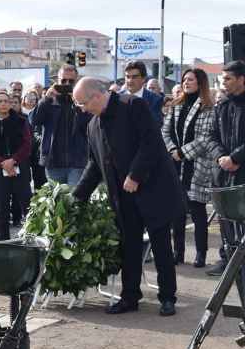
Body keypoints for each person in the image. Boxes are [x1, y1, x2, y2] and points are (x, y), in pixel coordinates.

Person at [73, 76, 183, 317]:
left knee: (160, 244)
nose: (80, 108)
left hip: (152, 189)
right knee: (129, 247)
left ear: (96, 96)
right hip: (122, 196)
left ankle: (167, 297)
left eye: (82, 103)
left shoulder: (132, 105)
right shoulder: (93, 125)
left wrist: (135, 175)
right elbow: (94, 165)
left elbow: (151, 142)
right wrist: (76, 197)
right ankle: (130, 297)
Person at [205, 62, 245, 274]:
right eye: (222, 79)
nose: (224, 83)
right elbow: (211, 136)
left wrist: (235, 158)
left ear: (241, 79)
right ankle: (227, 258)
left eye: (228, 79)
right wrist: (222, 157)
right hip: (222, 170)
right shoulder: (221, 104)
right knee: (225, 216)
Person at [162, 68, 215, 267]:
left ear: (200, 83)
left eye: (190, 79)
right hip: (174, 165)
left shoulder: (208, 107)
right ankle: (178, 252)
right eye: (184, 79)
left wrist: (183, 152)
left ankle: (201, 253)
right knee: (177, 211)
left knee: (197, 211)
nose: (186, 82)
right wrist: (173, 150)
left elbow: (205, 137)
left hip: (197, 165)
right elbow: (165, 131)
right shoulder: (177, 105)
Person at [0, 90, 32, 241]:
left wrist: (13, 160)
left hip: (20, 166)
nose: (3, 104)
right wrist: (2, 163)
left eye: (6, 101)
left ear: (10, 103)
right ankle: (3, 242)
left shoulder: (21, 121)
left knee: (27, 204)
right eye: (0, 101)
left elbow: (27, 144)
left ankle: (31, 237)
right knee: (1, 207)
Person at [30, 64, 90, 185]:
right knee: (57, 201)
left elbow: (89, 125)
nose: (67, 84)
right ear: (57, 81)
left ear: (76, 82)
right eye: (63, 80)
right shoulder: (49, 101)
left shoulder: (83, 101)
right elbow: (34, 120)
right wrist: (46, 99)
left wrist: (78, 103)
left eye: (71, 81)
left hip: (77, 162)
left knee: (73, 199)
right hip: (53, 162)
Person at [122, 60, 165, 126]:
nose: (130, 81)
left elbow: (156, 125)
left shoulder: (155, 99)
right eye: (127, 77)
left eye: (134, 77)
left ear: (143, 79)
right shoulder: (116, 98)